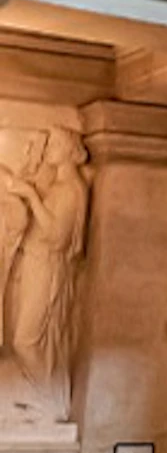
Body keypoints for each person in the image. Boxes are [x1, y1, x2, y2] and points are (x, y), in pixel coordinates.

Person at [7, 127, 90, 419]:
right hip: (35, 263)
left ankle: (51, 400)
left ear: (69, 149)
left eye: (54, 143)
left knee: (25, 340)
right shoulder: (57, 187)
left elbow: (57, 235)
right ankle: (42, 397)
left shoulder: (72, 189)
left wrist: (30, 194)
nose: (49, 149)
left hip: (48, 267)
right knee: (24, 337)